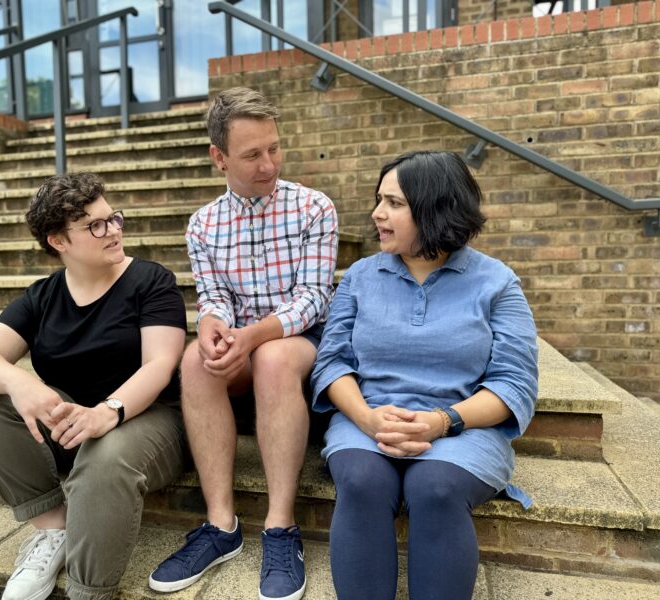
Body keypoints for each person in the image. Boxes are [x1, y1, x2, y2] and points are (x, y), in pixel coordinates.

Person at [310, 151, 539, 600]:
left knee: (434, 487)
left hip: (464, 425)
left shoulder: (496, 282)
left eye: (394, 203)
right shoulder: (359, 277)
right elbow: (332, 362)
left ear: (435, 209)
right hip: (368, 419)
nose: (377, 213)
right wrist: (367, 419)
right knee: (362, 481)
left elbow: (513, 383)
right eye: (378, 200)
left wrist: (442, 421)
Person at [0, 172, 188, 600]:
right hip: (72, 423)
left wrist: (107, 412)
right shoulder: (43, 297)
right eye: (96, 225)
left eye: (113, 217)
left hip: (149, 423)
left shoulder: (151, 282)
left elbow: (160, 364)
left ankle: (89, 591)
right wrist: (17, 381)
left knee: (105, 457)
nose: (113, 230)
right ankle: (53, 526)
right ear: (59, 241)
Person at [148, 87, 338, 600]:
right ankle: (221, 525)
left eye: (274, 148)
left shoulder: (314, 208)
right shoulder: (203, 225)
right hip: (241, 341)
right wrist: (211, 323)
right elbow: (214, 296)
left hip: (297, 340)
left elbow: (314, 298)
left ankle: (280, 528)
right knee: (194, 358)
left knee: (273, 357)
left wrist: (253, 335)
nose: (269, 164)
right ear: (219, 158)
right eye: (253, 154)